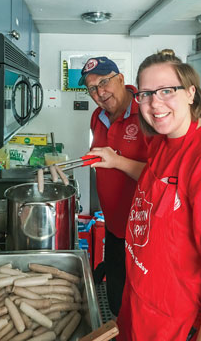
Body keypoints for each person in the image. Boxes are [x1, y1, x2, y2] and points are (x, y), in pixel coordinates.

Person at [92, 50, 201, 340]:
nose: (154, 103)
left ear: (191, 93)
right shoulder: (162, 143)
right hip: (149, 321)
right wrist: (115, 161)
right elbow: (156, 183)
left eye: (167, 91)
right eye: (145, 94)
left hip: (188, 330)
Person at [78, 56, 148, 317]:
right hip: (114, 225)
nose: (100, 92)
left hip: (143, 233)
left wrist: (116, 161)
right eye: (92, 88)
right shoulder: (98, 116)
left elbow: (162, 176)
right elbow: (106, 155)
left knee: (140, 301)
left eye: (104, 82)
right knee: (117, 296)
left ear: (121, 79)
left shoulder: (147, 112)